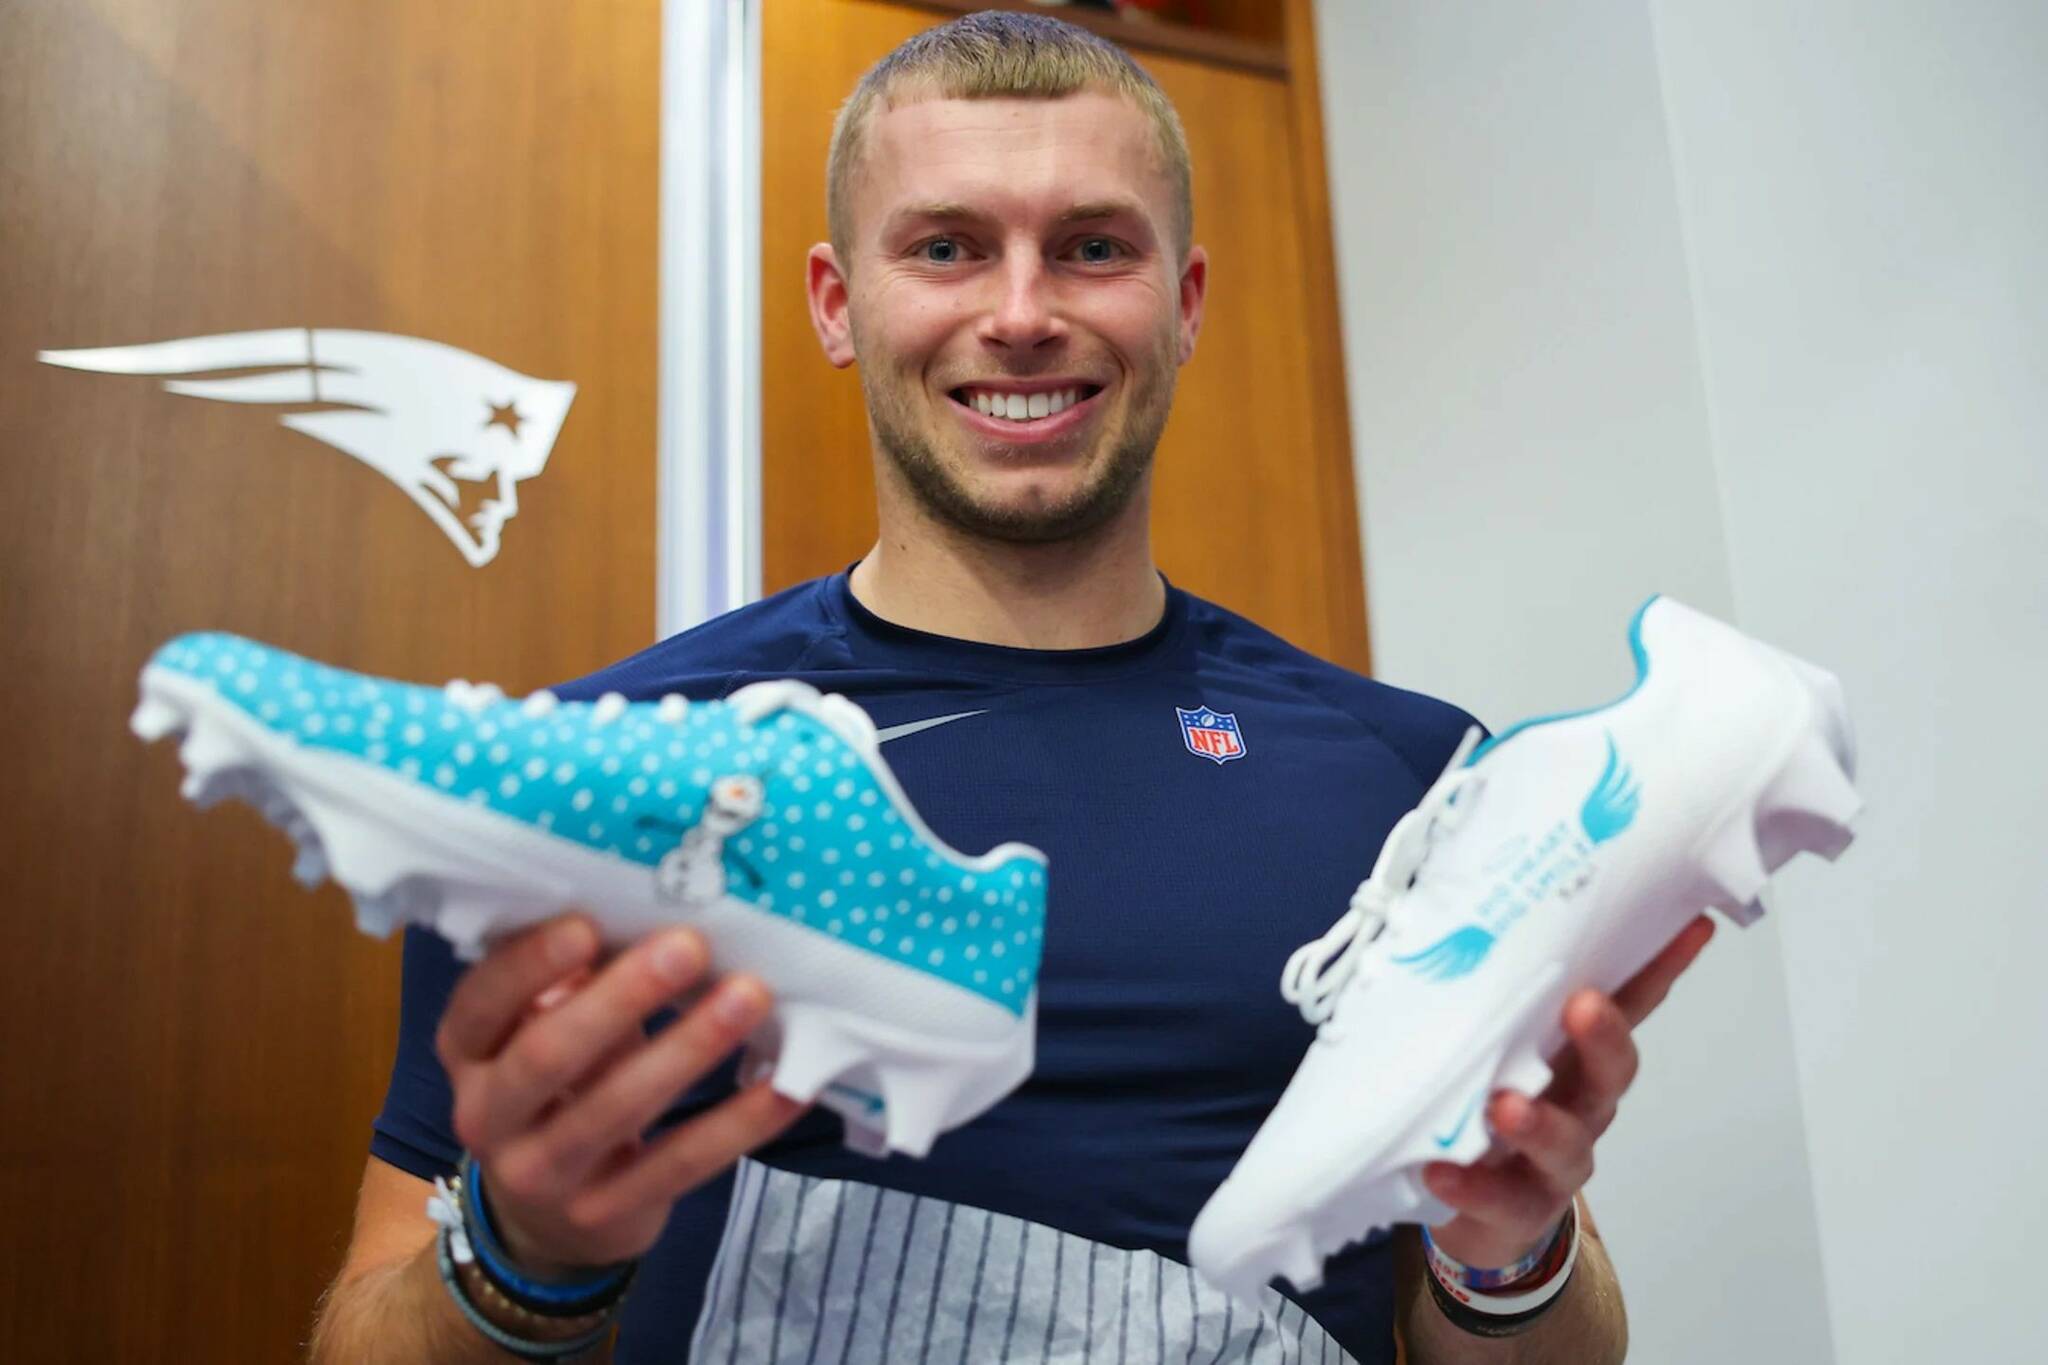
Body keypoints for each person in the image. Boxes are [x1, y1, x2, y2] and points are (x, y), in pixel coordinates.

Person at [308, 13, 1712, 1363]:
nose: (1023, 313)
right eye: (948, 248)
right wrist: (523, 1252)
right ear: (839, 304)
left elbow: (1540, 1346)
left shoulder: (1415, 783)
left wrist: (1510, 1255)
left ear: (1186, 301)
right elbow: (368, 1333)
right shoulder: (590, 778)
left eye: (1094, 247)